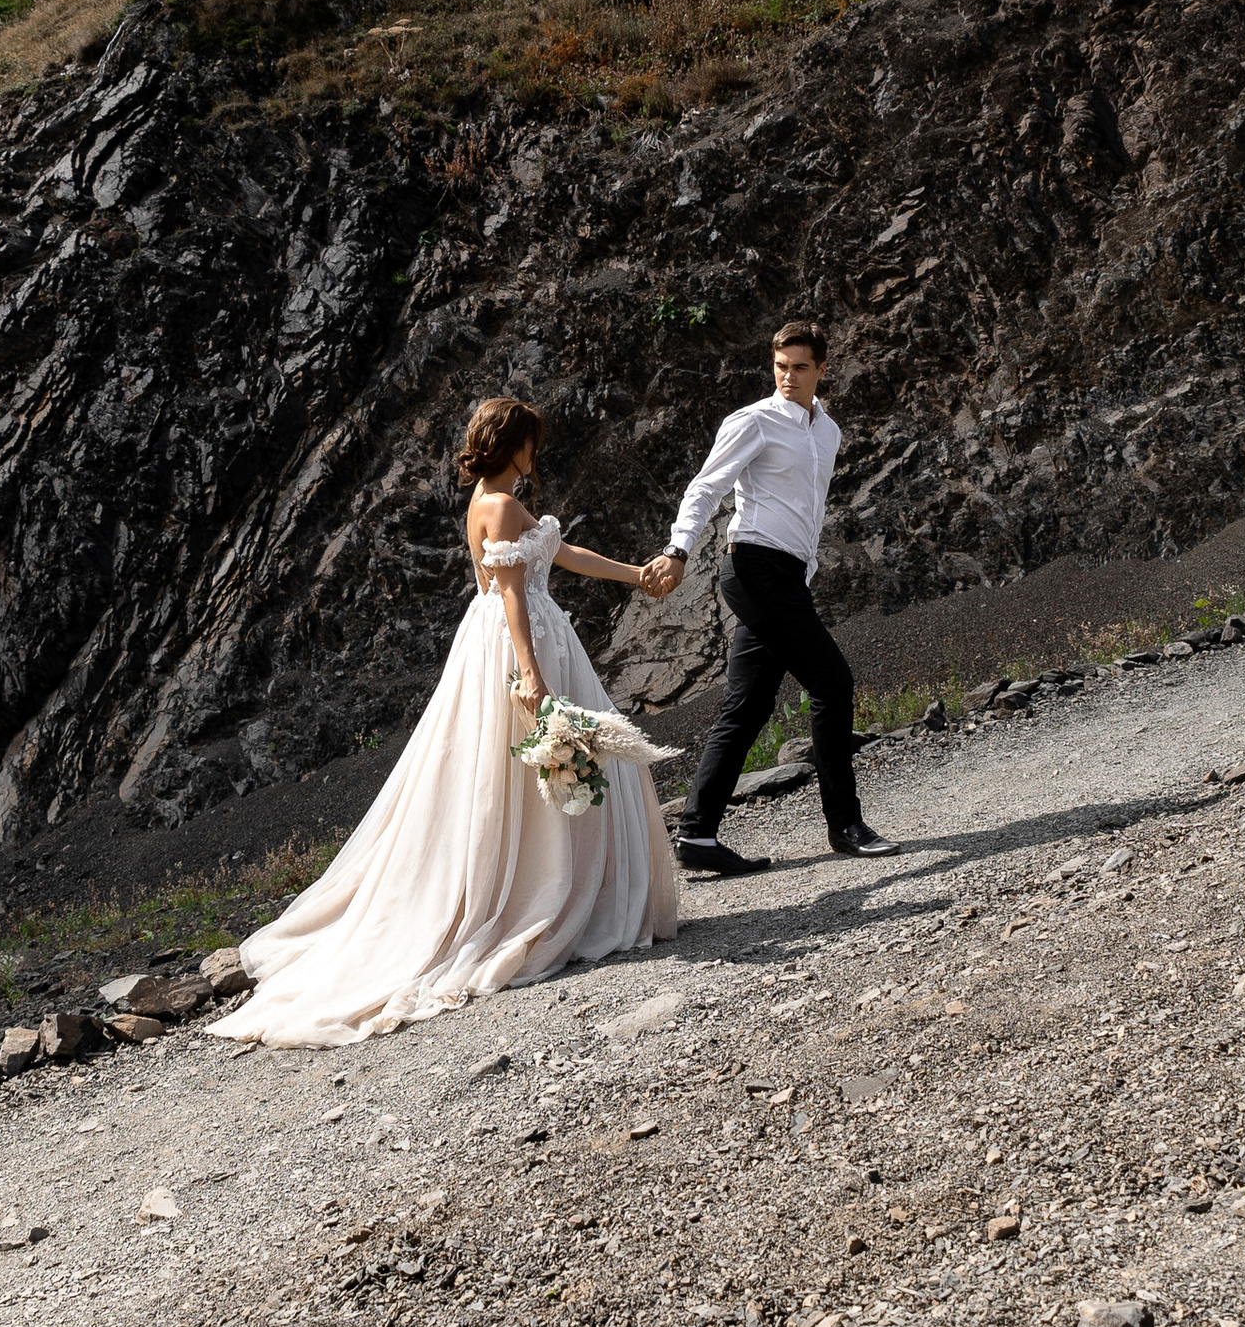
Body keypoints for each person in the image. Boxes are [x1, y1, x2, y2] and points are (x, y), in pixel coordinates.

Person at [206, 396, 679, 1047]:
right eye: (530, 444)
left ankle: (553, 889)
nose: (534, 455)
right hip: (521, 641)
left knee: (519, 775)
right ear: (514, 445)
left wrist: (633, 574)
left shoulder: (492, 501)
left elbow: (557, 552)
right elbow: (512, 593)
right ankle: (552, 898)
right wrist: (532, 674)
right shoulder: (504, 505)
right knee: (544, 768)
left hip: (507, 638)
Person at [647, 319, 897, 872]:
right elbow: (706, 487)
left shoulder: (826, 431)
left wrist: (805, 573)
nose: (787, 377)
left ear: (821, 370)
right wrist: (678, 550)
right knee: (833, 683)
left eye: (800, 367)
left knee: (749, 705)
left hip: (787, 576)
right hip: (754, 567)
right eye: (780, 366)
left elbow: (809, 513)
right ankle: (847, 825)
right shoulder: (754, 422)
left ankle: (697, 837)